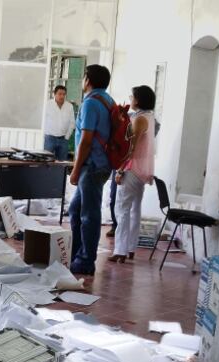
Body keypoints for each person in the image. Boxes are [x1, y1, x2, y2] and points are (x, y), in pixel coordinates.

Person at [68, 64, 115, 277]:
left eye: (84, 76)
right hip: (101, 164)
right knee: (76, 210)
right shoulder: (107, 100)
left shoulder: (90, 103)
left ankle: (86, 261)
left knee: (89, 215)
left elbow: (86, 141)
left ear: (88, 80)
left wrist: (75, 170)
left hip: (92, 166)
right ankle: (77, 254)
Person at [110, 85, 156, 263]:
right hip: (144, 169)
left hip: (133, 168)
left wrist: (121, 169)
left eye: (132, 96)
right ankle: (130, 248)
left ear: (138, 100)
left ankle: (120, 250)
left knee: (122, 209)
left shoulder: (139, 119)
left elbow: (132, 147)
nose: (130, 99)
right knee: (135, 209)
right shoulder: (149, 117)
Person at [43, 85, 74, 161]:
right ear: (54, 94)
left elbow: (72, 122)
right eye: (60, 94)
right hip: (49, 139)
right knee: (47, 162)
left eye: (64, 94)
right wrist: (44, 134)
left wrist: (67, 137)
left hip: (63, 139)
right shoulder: (48, 104)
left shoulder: (69, 106)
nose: (62, 96)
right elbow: (43, 121)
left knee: (62, 164)